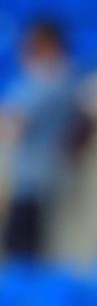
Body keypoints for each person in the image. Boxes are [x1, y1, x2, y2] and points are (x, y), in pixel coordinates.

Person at [0, 20, 77, 258]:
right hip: (36, 177)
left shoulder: (51, 82)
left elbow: (13, 124)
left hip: (35, 181)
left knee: (22, 252)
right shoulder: (53, 81)